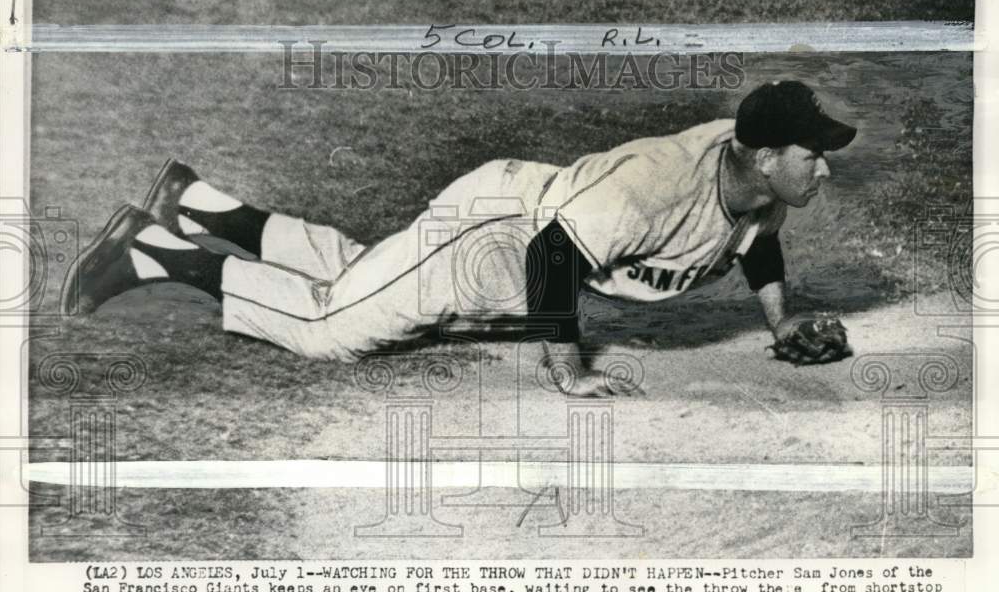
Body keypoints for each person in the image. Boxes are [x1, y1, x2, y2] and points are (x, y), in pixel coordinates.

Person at [61, 80, 856, 397]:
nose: (823, 166)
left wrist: (780, 320)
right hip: (498, 233)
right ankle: (152, 251)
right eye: (812, 152)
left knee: (359, 269)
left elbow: (756, 240)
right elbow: (554, 258)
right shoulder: (653, 183)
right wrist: (568, 373)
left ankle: (193, 201)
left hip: (532, 223)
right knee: (336, 324)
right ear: (760, 153)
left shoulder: (754, 181)